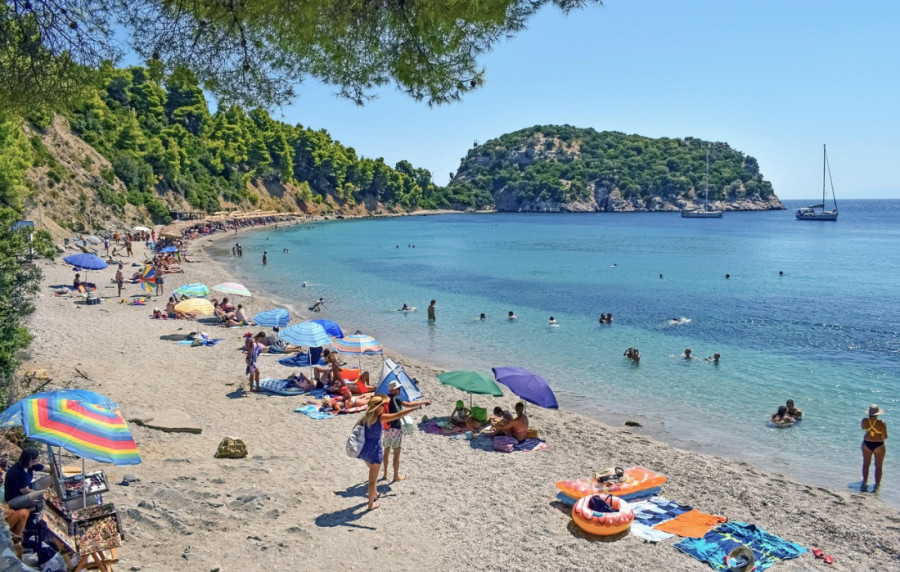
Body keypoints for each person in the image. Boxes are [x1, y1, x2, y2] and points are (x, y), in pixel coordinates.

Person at [357, 395, 424, 511]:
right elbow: (398, 415)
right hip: (374, 450)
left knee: (372, 472)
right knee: (372, 480)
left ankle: (375, 493)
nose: (384, 407)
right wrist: (414, 408)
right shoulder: (380, 418)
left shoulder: (365, 417)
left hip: (364, 450)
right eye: (383, 405)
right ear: (378, 407)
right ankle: (370, 504)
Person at [383, 380, 432, 483]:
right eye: (398, 388)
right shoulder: (397, 399)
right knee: (396, 454)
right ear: (393, 390)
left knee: (386, 451)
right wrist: (423, 402)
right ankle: (395, 476)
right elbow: (408, 404)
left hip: (386, 428)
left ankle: (385, 474)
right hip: (396, 429)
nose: (400, 390)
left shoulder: (385, 399)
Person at [861, 404, 887, 492]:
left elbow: (863, 428)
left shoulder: (864, 421)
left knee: (866, 464)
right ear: (877, 414)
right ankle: (877, 486)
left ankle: (864, 482)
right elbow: (885, 436)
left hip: (866, 444)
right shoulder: (882, 423)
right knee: (878, 467)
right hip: (878, 445)